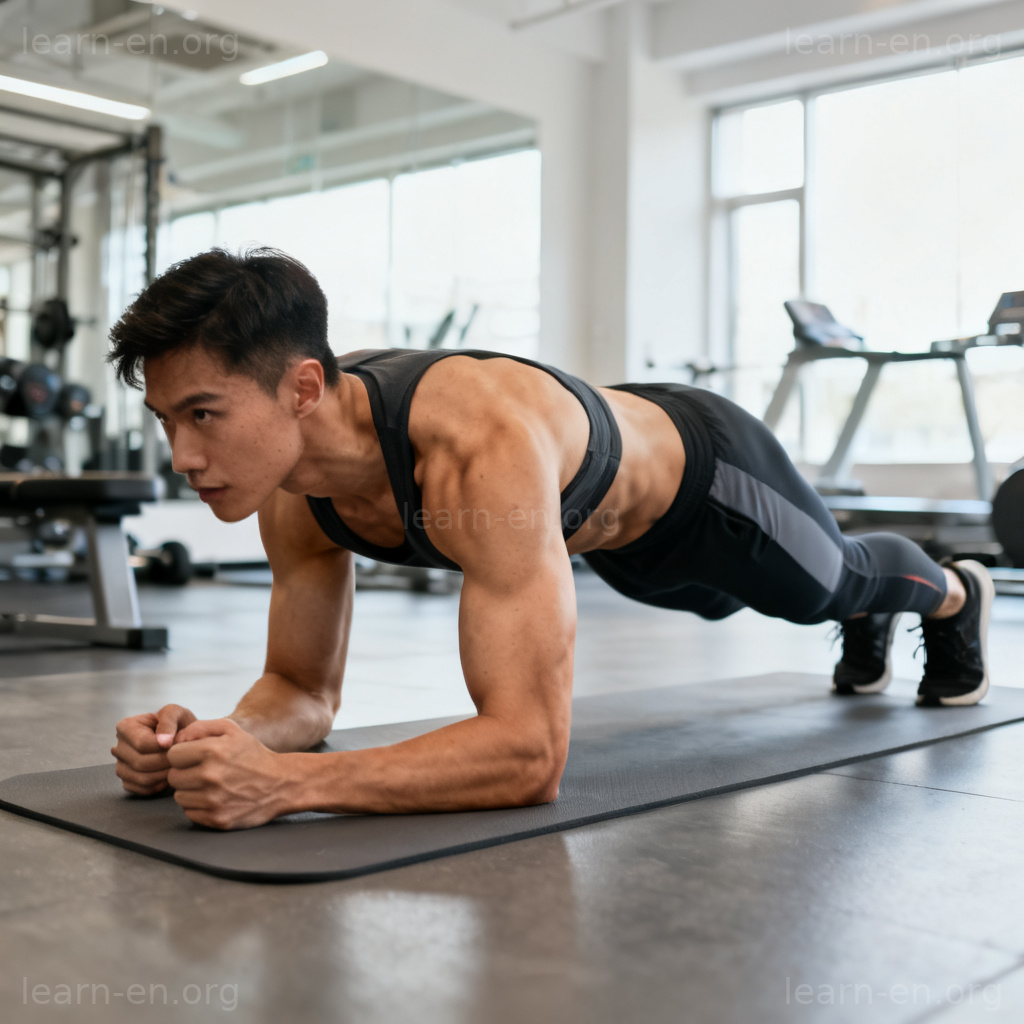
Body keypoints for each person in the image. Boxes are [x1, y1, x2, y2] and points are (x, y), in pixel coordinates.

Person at [109, 248, 993, 831]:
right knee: (730, 605)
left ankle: (955, 592)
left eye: (203, 416)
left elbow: (528, 754)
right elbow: (300, 690)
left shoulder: (473, 447)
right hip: (609, 541)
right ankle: (870, 619)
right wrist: (216, 744)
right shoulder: (291, 485)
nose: (182, 456)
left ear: (302, 389)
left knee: (830, 585)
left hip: (708, 484)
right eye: (166, 421)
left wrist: (288, 787)